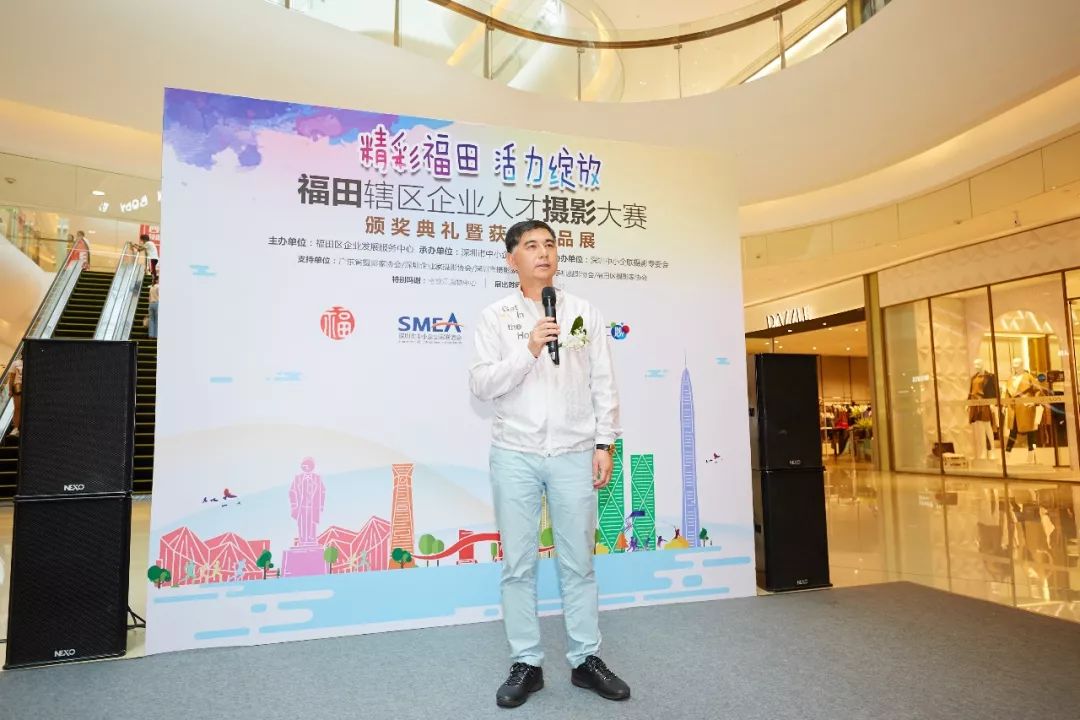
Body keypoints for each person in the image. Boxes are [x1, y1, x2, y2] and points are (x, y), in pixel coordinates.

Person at [469, 219, 630, 709]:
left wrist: (605, 444)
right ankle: (527, 663)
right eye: (531, 245)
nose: (543, 253)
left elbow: (603, 382)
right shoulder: (495, 317)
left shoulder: (583, 312)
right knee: (518, 566)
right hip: (514, 453)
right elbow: (482, 384)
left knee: (578, 563)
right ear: (511, 258)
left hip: (574, 452)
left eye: (550, 245)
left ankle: (586, 659)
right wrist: (530, 348)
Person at [6, 356, 23, 438]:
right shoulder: (16, 363)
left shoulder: (33, 363)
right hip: (18, 387)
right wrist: (10, 390)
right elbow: (11, 377)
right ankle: (16, 428)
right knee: (17, 408)